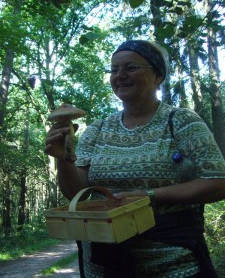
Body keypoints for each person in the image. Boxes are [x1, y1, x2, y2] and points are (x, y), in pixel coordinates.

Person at [44, 40, 225, 278]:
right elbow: (76, 192)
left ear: (158, 76)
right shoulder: (98, 130)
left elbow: (218, 182)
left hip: (172, 264)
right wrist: (63, 160)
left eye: (130, 68)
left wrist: (148, 197)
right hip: (103, 265)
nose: (120, 76)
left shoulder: (181, 121)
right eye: (114, 70)